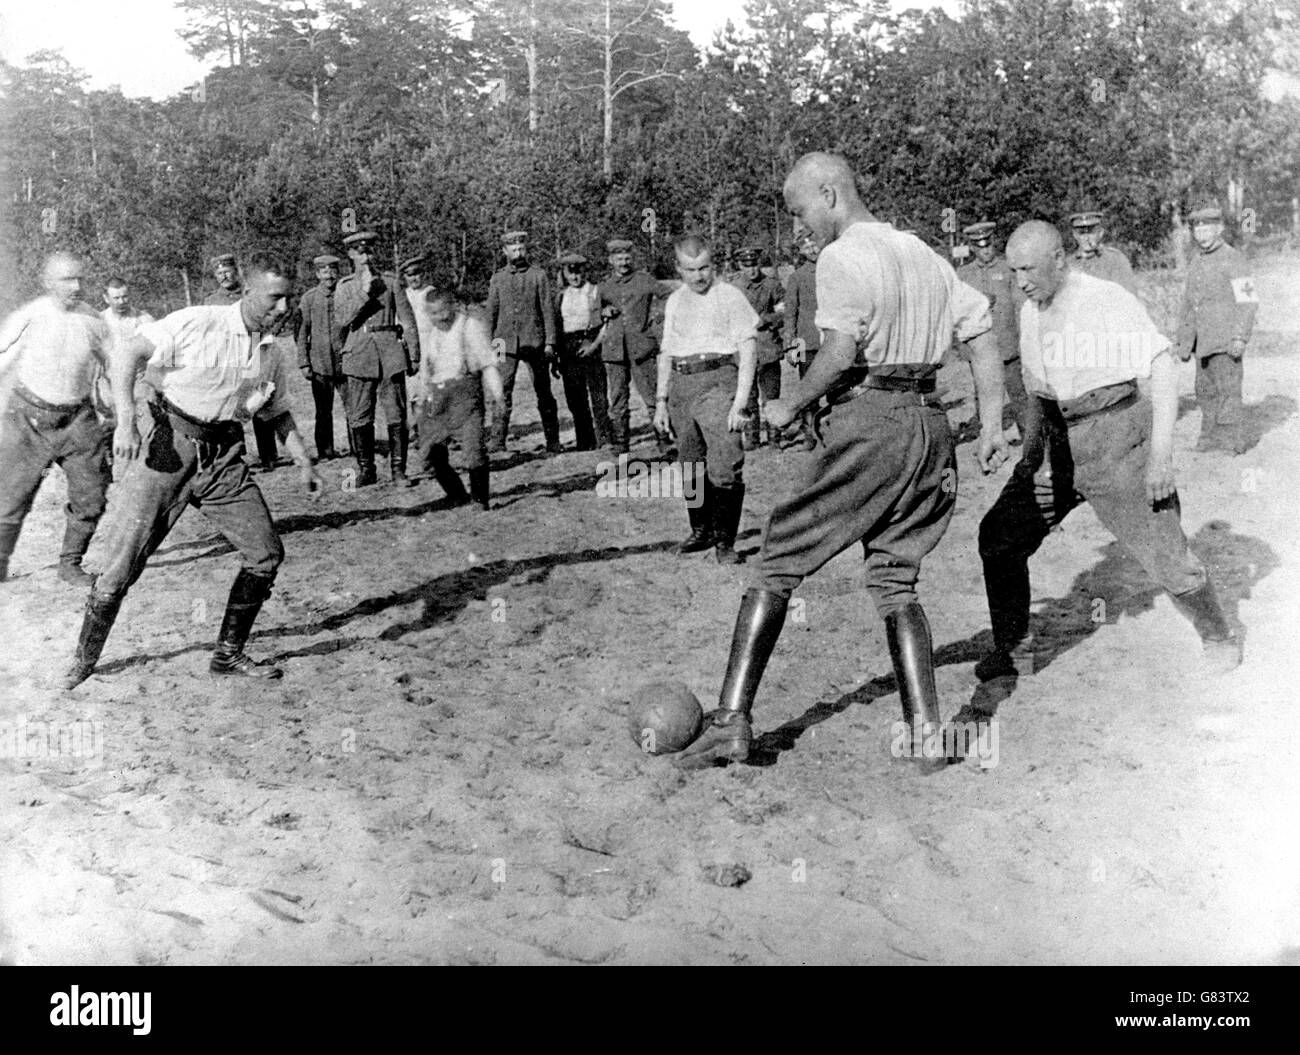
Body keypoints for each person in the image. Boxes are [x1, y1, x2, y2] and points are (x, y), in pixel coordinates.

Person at [674, 152, 1008, 770]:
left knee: (777, 559)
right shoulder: (923, 253)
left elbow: (841, 350)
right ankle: (927, 735)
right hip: (930, 426)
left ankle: (731, 722)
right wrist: (989, 423)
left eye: (802, 211)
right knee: (894, 579)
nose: (802, 227)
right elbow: (982, 336)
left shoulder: (842, 256)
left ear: (830, 194)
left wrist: (787, 404)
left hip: (871, 420)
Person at [976, 220, 1240, 689]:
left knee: (1166, 553)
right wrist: (1029, 456)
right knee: (999, 535)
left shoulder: (1105, 299)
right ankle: (1013, 645)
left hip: (1116, 439)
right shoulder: (1031, 308)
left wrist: (1160, 456)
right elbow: (1039, 394)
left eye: (1029, 270)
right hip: (1057, 445)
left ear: (1060, 259)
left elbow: (1161, 367)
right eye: (1014, 271)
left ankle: (1218, 636)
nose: (1020, 281)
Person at [63, 251, 324, 690]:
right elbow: (129, 353)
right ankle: (83, 661)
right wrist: (126, 421)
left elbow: (275, 412)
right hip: (168, 449)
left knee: (265, 554)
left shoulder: (271, 353)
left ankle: (227, 655)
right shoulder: (199, 322)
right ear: (248, 291)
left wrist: (303, 460)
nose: (283, 310)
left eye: (288, 300)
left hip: (223, 459)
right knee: (119, 567)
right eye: (274, 299)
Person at [0, 252, 113, 586]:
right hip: (27, 420)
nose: (75, 286)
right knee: (9, 499)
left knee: (91, 496)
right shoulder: (29, 317)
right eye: (66, 280)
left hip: (78, 421)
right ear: (47, 282)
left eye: (80, 279)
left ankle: (71, 564)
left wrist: (119, 412)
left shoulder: (94, 321)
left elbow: (116, 366)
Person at [653, 235, 758, 565]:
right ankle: (701, 531)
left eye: (704, 268)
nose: (698, 276)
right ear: (678, 269)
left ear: (714, 265)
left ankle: (725, 544)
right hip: (682, 387)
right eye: (690, 269)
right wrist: (660, 400)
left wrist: (740, 401)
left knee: (724, 465)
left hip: (718, 383)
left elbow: (749, 348)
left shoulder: (730, 296)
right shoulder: (674, 301)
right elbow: (666, 352)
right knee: (690, 465)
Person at [335, 230, 420, 487]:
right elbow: (342, 319)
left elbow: (408, 320)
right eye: (359, 252)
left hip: (389, 355)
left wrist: (414, 354)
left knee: (396, 413)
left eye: (369, 251)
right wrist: (364, 292)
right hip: (359, 354)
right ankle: (366, 470)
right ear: (350, 255)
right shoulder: (346, 286)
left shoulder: (392, 282)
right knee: (360, 415)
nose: (365, 257)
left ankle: (398, 471)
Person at [1175, 200, 1258, 455]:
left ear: (1219, 228)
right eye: (1197, 230)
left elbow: (1249, 301)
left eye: (1207, 229)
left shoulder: (1234, 259)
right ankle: (1209, 438)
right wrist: (1184, 343)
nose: (1201, 235)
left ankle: (1233, 442)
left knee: (1228, 392)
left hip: (1225, 342)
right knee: (1205, 393)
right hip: (1204, 343)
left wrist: (1239, 337)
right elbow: (1189, 306)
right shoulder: (1196, 263)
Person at [411, 289, 504, 510]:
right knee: (431, 454)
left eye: (443, 312)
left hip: (466, 397)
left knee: (473, 451)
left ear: (452, 307)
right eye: (433, 314)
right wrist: (420, 402)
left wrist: (498, 397)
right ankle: (457, 494)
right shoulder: (431, 334)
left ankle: (480, 499)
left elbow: (488, 364)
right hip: (438, 397)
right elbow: (425, 372)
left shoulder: (469, 327)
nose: (440, 318)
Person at [206, 252, 283, 473]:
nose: (224, 276)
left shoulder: (250, 293)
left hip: (254, 350)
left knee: (260, 399)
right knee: (230, 406)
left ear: (236, 271)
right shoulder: (211, 301)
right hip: (228, 357)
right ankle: (235, 456)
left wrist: (269, 335)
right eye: (219, 273)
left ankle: (269, 454)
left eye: (227, 271)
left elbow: (270, 315)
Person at [485, 230, 560, 454]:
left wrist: (550, 343)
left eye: (522, 248)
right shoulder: (498, 278)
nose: (518, 253)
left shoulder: (538, 275)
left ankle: (553, 441)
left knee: (543, 391)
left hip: (535, 342)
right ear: (504, 251)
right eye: (514, 249)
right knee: (501, 390)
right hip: (502, 344)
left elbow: (548, 310)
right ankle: (497, 441)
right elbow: (491, 312)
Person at [598, 238, 669, 456]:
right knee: (618, 400)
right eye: (619, 259)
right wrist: (603, 312)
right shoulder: (604, 286)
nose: (624, 262)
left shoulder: (644, 279)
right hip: (614, 352)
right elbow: (593, 312)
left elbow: (669, 295)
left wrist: (658, 315)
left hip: (642, 349)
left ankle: (664, 441)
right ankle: (621, 445)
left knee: (652, 398)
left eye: (627, 258)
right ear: (611, 261)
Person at [959, 220, 1027, 436]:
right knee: (983, 394)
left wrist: (1024, 341)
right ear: (972, 248)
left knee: (1018, 394)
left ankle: (1031, 442)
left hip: (1008, 345)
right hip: (980, 349)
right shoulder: (963, 274)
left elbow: (1020, 306)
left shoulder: (1008, 269)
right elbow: (959, 312)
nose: (985, 250)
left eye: (988, 245)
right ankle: (987, 440)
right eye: (979, 247)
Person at [554, 252, 613, 450]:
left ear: (584, 272)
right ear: (564, 274)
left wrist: (594, 343)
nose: (575, 277)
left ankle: (605, 437)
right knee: (575, 396)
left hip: (591, 342)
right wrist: (556, 357)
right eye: (570, 273)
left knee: (598, 393)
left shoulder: (595, 291)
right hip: (568, 348)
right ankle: (585, 440)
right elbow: (556, 326)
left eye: (578, 273)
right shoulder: (561, 296)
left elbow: (607, 319)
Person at [729, 245, 785, 448]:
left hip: (768, 347)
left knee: (771, 396)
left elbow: (784, 310)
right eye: (746, 266)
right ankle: (752, 438)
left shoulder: (772, 285)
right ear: (739, 266)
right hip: (744, 351)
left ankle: (774, 438)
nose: (751, 270)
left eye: (754, 265)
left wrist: (766, 319)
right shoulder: (733, 288)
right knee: (748, 396)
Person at [295, 253, 346, 460]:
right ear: (317, 274)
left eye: (332, 271)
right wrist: (304, 362)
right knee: (323, 411)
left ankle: (358, 448)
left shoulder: (346, 294)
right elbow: (301, 332)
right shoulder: (308, 299)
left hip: (346, 362)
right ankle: (325, 451)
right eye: (324, 272)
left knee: (354, 409)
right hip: (320, 365)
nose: (329, 276)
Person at [781, 233, 821, 451]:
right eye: (807, 248)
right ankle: (809, 434)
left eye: (815, 245)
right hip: (808, 343)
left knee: (839, 388)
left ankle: (836, 433)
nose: (813, 250)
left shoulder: (834, 270)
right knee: (808, 391)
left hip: (833, 341)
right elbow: (790, 314)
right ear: (802, 252)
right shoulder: (797, 277)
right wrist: (790, 345)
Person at [1067, 210, 1137, 295]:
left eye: (1091, 233)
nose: (1086, 238)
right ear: (1075, 235)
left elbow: (1129, 297)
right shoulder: (1068, 265)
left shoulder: (1115, 260)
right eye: (1082, 233)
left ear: (1100, 233)